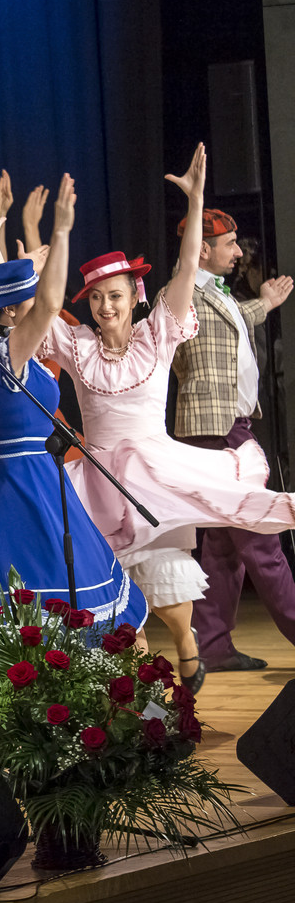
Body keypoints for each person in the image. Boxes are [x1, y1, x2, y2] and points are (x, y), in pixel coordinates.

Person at [42, 144, 295, 692]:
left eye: (114, 296)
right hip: (96, 473)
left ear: (133, 295)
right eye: (96, 299)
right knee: (107, 579)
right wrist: (41, 251)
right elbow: (37, 314)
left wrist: (196, 199)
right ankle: (133, 684)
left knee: (165, 572)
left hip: (153, 468)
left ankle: (188, 647)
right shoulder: (78, 346)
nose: (105, 307)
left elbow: (185, 269)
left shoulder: (156, 336)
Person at [0, 175, 147, 633]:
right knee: (60, 597)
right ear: (14, 311)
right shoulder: (8, 352)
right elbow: (51, 302)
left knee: (15, 611)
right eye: (28, 304)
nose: (38, 310)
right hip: (28, 485)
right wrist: (61, 230)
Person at [173, 207, 295, 671]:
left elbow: (233, 318)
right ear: (202, 249)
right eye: (231, 244)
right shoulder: (181, 292)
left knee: (224, 544)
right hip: (213, 428)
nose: (240, 253)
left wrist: (264, 303)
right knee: (261, 536)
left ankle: (214, 646)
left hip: (232, 426)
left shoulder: (215, 294)